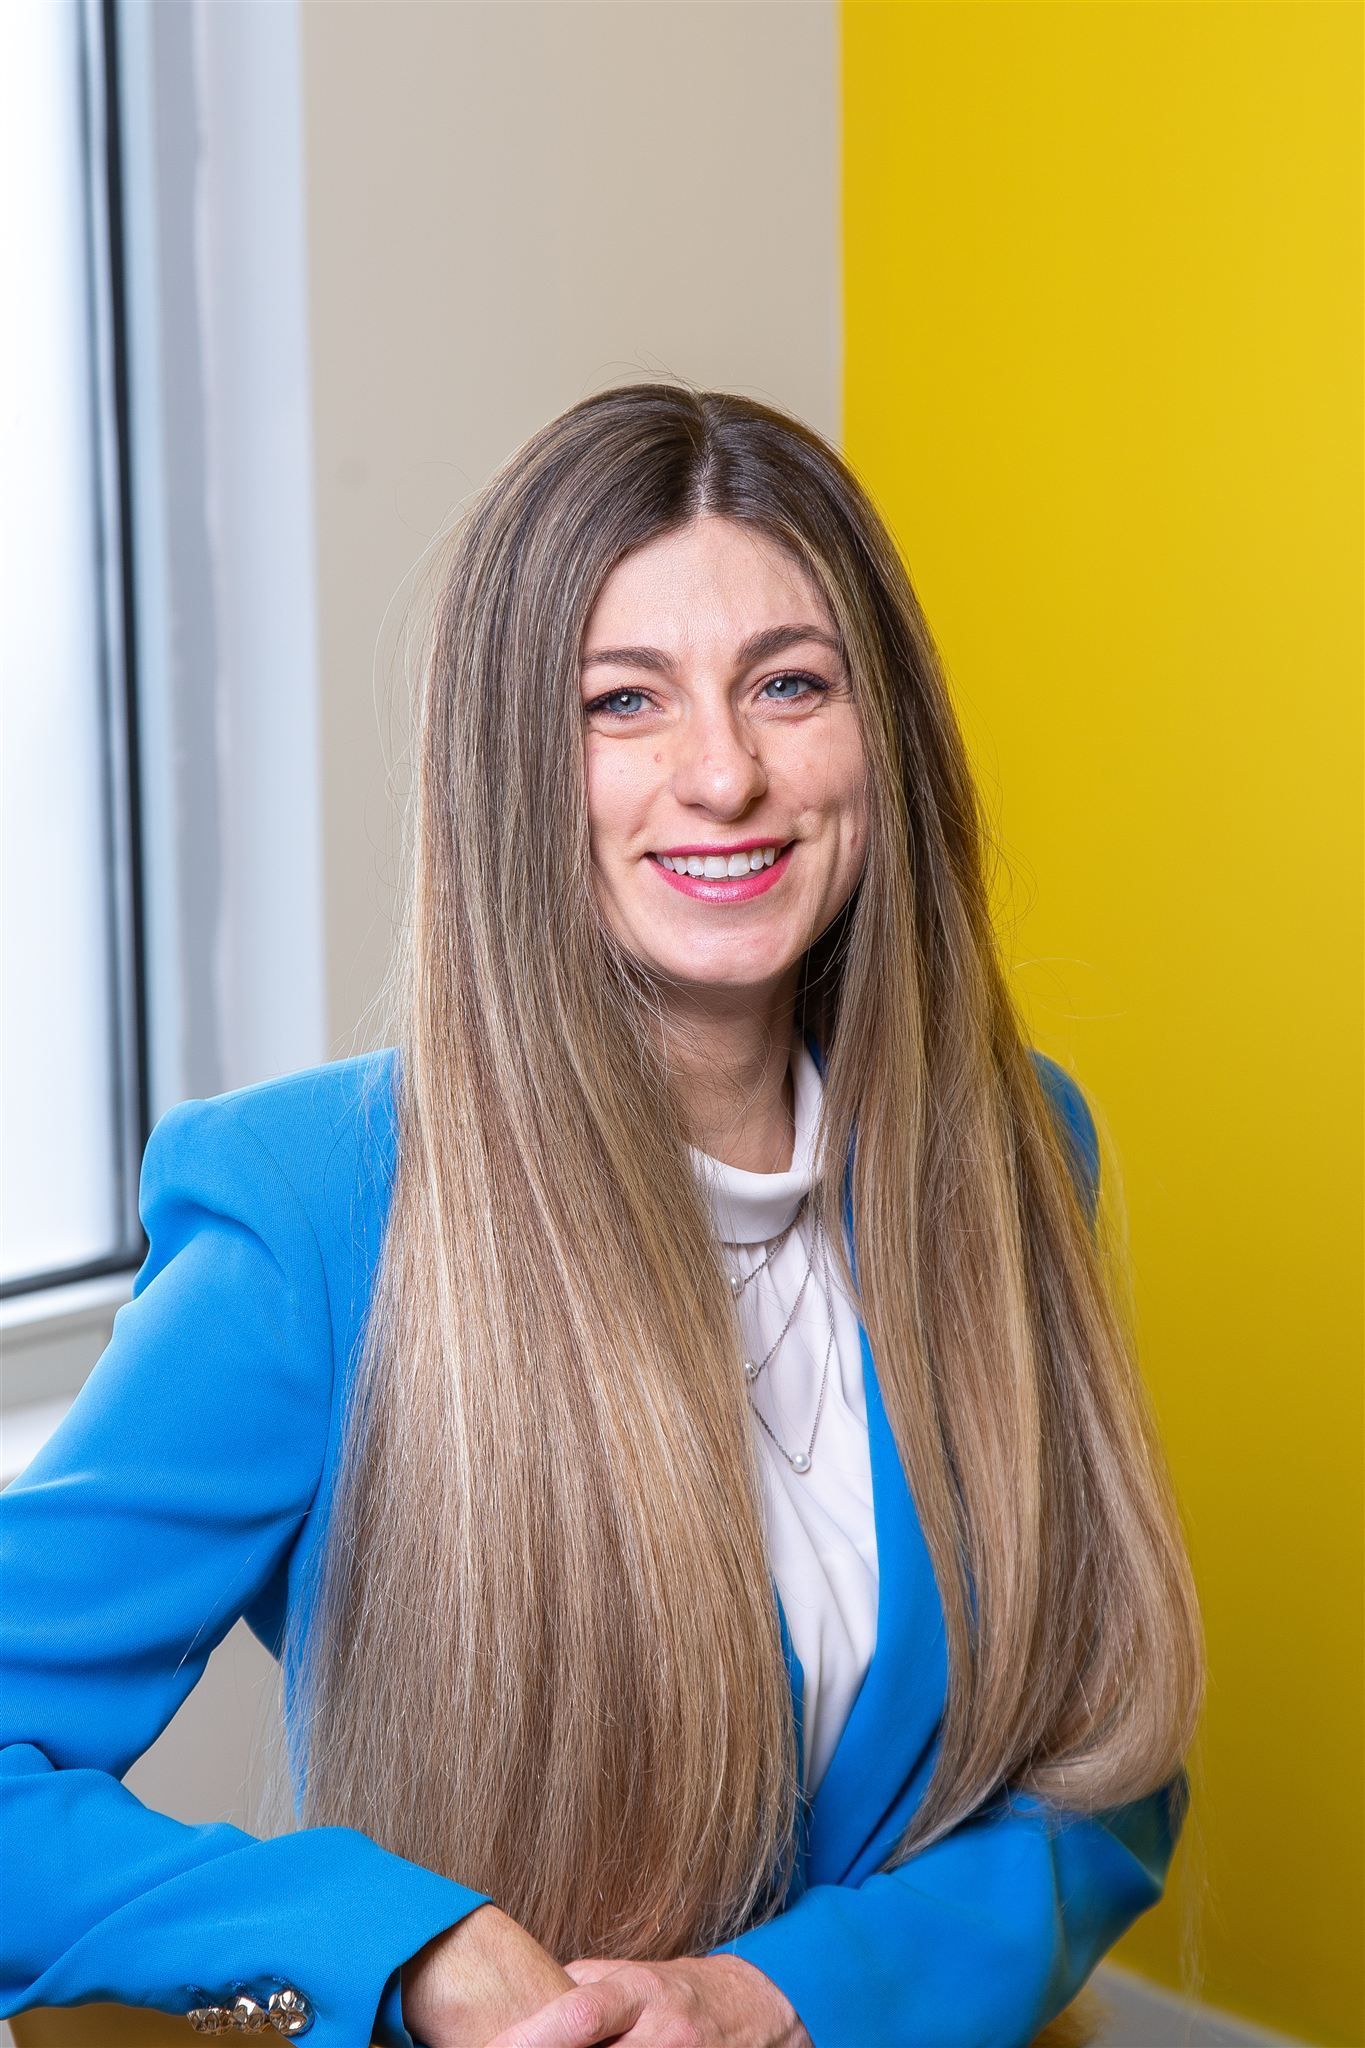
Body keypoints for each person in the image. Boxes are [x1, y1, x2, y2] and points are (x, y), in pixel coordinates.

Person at [0, 383, 1204, 2048]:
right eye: (619, 703)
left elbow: (1103, 1773)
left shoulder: (1011, 1150)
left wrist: (789, 1997)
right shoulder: (314, 1213)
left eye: (790, 685)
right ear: (512, 767)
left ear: (886, 738)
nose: (723, 774)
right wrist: (398, 1945)